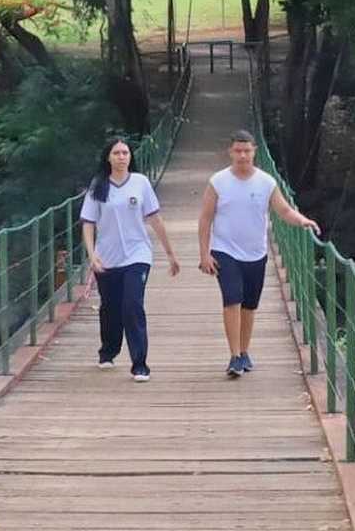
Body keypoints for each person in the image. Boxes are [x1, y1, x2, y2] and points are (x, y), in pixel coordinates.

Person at [197, 129, 320, 378]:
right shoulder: (218, 182)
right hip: (225, 250)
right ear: (230, 152)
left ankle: (244, 352)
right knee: (232, 300)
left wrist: (303, 220)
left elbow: (284, 211)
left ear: (255, 151)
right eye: (238, 151)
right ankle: (234, 356)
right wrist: (204, 254)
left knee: (249, 307)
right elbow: (205, 218)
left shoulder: (266, 182)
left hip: (255, 252)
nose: (242, 155)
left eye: (247, 150)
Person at [79, 136, 180, 382]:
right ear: (108, 158)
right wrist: (92, 256)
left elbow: (155, 218)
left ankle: (140, 364)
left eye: (125, 153)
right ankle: (109, 350)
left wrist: (170, 254)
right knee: (110, 307)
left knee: (132, 305)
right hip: (108, 257)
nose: (122, 157)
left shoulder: (140, 183)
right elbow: (88, 224)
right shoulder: (98, 186)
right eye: (117, 153)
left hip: (138, 254)